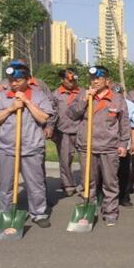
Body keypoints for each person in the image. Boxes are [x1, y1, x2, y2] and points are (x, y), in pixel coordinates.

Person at [0, 62, 54, 228]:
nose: (13, 83)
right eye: (10, 80)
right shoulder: (0, 97)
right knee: (6, 185)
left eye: (17, 80)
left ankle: (38, 213)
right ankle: (6, 214)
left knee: (35, 184)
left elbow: (43, 118)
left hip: (32, 147)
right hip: (7, 148)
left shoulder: (39, 96)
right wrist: (11, 108)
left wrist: (27, 103)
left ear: (28, 79)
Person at [67, 66, 129, 227]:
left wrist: (123, 143)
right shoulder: (84, 95)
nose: (94, 81)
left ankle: (110, 212)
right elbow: (71, 115)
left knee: (110, 183)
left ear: (107, 81)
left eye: (98, 79)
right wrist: (84, 100)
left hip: (109, 147)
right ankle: (90, 208)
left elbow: (124, 123)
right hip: (87, 147)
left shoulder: (117, 99)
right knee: (88, 182)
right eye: (92, 79)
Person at [46, 68, 81, 197]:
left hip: (80, 130)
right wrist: (50, 127)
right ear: (62, 80)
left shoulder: (82, 93)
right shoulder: (56, 95)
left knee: (86, 160)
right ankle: (68, 185)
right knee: (65, 160)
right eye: (69, 79)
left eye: (74, 79)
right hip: (63, 131)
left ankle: (87, 184)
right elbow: (52, 113)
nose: (72, 82)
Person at [115, 84, 134, 207]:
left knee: (124, 171)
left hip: (124, 142)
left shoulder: (130, 105)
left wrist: (133, 143)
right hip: (108, 143)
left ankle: (124, 197)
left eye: (119, 94)